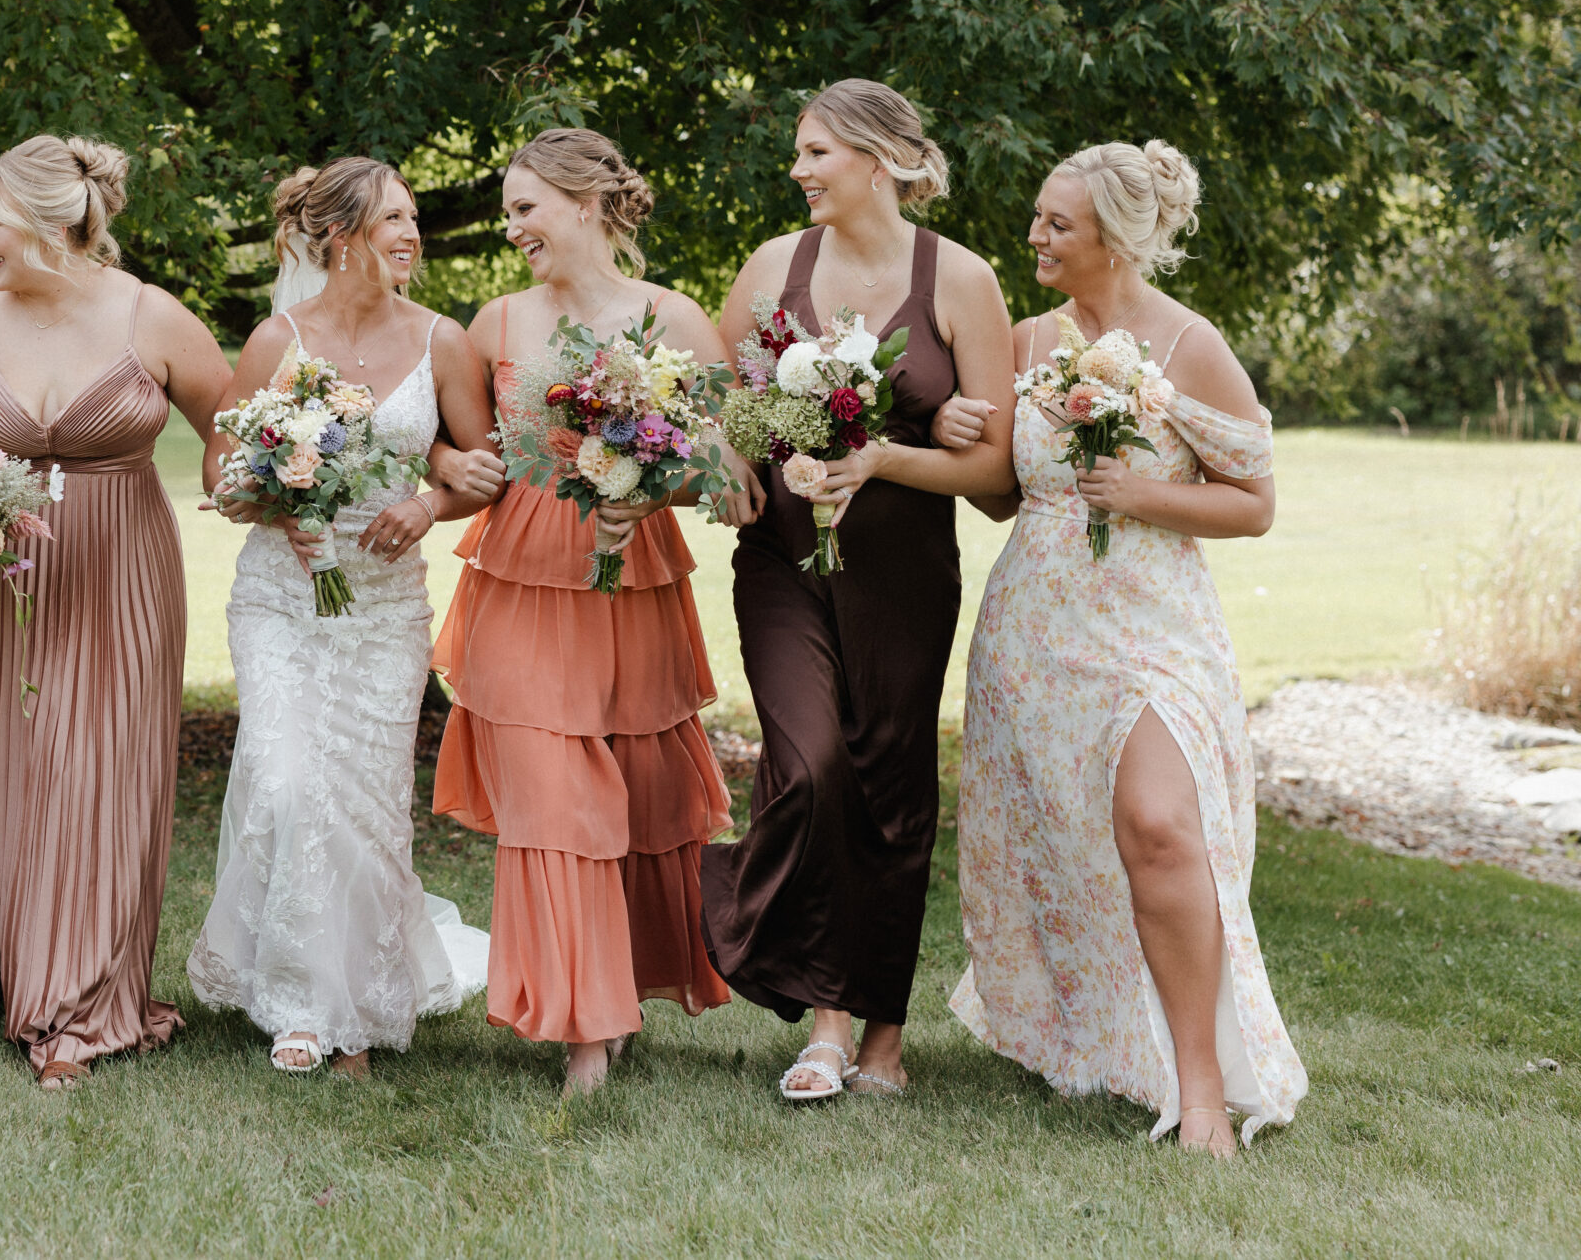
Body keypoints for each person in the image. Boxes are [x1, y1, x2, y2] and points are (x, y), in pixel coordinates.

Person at [938, 140, 1306, 1156]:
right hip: (1035, 633)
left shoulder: (1190, 346)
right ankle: (1095, 1043)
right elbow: (1000, 492)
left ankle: (1199, 1090)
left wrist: (1140, 493)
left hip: (1153, 627)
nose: (1034, 237)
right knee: (1065, 843)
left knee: (1157, 826)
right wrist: (960, 427)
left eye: (1057, 224)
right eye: (1037, 218)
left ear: (1116, 237)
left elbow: (1255, 504)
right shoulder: (1021, 340)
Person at [0, 135, 232, 1089]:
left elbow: (228, 429)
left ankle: (77, 1009)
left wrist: (240, 484)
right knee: (2, 776)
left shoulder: (151, 315)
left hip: (122, 575)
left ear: (49, 218)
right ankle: (11, 963)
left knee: (98, 774)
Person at [698, 78, 1014, 1103]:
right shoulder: (769, 269)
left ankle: (876, 1035)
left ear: (878, 163)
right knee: (811, 763)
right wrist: (732, 459)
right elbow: (722, 404)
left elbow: (997, 477)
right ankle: (812, 1009)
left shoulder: (960, 281)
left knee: (891, 787)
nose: (797, 170)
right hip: (784, 563)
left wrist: (888, 457)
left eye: (816, 153)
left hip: (904, 574)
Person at [429, 128, 737, 1097]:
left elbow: (727, 474)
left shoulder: (672, 317)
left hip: (631, 581)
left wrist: (654, 489)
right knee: (552, 801)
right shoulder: (496, 322)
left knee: (638, 793)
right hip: (520, 578)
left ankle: (620, 987)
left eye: (526, 207)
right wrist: (451, 466)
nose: (512, 226)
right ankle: (585, 1037)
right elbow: (458, 456)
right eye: (509, 210)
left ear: (589, 203)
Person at [186, 158, 495, 1076]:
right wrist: (260, 493)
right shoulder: (276, 339)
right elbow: (219, 464)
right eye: (392, 218)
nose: (411, 234)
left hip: (386, 604)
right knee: (284, 780)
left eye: (414, 219)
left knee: (362, 804)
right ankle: (292, 999)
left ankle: (350, 1007)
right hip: (282, 595)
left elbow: (481, 470)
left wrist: (430, 506)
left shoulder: (445, 341)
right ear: (337, 235)